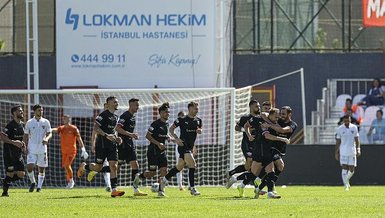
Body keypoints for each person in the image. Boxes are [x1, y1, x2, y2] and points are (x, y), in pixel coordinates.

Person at [77, 96, 125, 197]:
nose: (116, 103)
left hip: (112, 145)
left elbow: (112, 131)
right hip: (102, 145)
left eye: (117, 102)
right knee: (98, 167)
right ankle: (84, 167)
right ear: (108, 104)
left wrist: (117, 138)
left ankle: (114, 190)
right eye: (114, 102)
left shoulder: (116, 117)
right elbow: (96, 128)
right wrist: (105, 136)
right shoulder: (103, 115)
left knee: (114, 166)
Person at [237, 108, 289, 199]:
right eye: (276, 117)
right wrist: (249, 135)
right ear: (270, 115)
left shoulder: (272, 122)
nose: (277, 119)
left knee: (271, 171)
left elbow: (281, 129)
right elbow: (248, 126)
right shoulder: (261, 121)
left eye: (278, 117)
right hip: (259, 150)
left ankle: (269, 192)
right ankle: (235, 179)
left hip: (267, 150)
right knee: (254, 174)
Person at [161, 102, 203, 196]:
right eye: (195, 108)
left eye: (197, 108)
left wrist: (200, 131)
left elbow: (200, 129)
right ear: (190, 109)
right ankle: (192, 188)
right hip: (183, 146)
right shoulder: (182, 119)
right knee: (192, 164)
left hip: (190, 147)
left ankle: (163, 180)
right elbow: (171, 129)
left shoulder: (198, 120)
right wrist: (176, 138)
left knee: (179, 167)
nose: (197, 110)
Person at [256, 106, 297, 195]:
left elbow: (282, 130)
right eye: (280, 113)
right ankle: (267, 187)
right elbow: (263, 114)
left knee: (276, 169)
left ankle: (259, 188)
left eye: (283, 114)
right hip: (272, 147)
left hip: (281, 150)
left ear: (289, 114)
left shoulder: (292, 124)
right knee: (280, 165)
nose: (281, 116)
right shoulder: (276, 119)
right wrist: (268, 121)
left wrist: (269, 125)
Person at [134, 102, 170, 197]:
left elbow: (163, 135)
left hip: (162, 152)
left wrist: (168, 137)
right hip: (153, 151)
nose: (168, 114)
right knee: (151, 173)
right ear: (161, 113)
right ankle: (139, 177)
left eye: (168, 112)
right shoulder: (155, 124)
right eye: (166, 112)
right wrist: (158, 144)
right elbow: (148, 136)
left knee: (164, 170)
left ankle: (161, 190)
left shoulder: (166, 124)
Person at [115, 98, 147, 196]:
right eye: (136, 105)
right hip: (122, 145)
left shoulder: (133, 117)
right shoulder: (125, 116)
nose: (138, 107)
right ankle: (97, 170)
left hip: (129, 144)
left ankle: (136, 190)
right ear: (131, 105)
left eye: (138, 105)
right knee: (116, 167)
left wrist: (132, 135)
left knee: (135, 165)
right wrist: (130, 134)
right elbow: (117, 128)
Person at [226, 100, 260, 188]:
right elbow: (236, 127)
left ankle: (231, 173)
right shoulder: (245, 118)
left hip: (257, 145)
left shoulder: (260, 118)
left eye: (259, 106)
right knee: (250, 162)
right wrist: (245, 130)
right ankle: (256, 187)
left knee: (249, 166)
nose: (258, 108)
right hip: (247, 144)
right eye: (256, 106)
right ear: (251, 107)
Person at [78, 102, 111, 192]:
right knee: (106, 164)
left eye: (109, 106)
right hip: (101, 145)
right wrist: (93, 144)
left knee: (110, 165)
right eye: (106, 107)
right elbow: (94, 132)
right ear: (104, 108)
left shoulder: (114, 117)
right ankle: (109, 185)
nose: (107, 108)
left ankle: (89, 169)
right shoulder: (100, 118)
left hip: (112, 145)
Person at [52, 114, 88, 189]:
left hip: (72, 151)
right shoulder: (62, 128)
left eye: (68, 119)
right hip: (64, 151)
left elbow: (79, 138)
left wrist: (83, 149)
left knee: (67, 165)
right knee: (66, 167)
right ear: (63, 120)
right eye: (65, 119)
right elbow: (55, 130)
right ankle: (69, 181)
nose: (66, 120)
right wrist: (48, 129)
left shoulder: (74, 128)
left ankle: (71, 181)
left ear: (70, 120)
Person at [23, 104, 52, 192]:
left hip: (42, 149)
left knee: (41, 168)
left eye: (42, 110)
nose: (41, 112)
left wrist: (46, 139)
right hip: (31, 148)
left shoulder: (46, 122)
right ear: (34, 111)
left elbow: (50, 133)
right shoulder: (29, 122)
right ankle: (33, 182)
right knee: (29, 167)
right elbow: (25, 135)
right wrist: (24, 145)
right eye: (39, 110)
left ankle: (39, 187)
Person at [1, 105, 26, 197]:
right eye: (19, 111)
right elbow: (2, 136)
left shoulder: (23, 125)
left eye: (22, 110)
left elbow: (21, 139)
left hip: (18, 154)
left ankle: (5, 181)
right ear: (14, 113)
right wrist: (13, 142)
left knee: (21, 174)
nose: (22, 112)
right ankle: (5, 192)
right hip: (9, 153)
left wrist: (23, 144)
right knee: (10, 173)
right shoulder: (10, 125)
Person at [335, 115, 361, 191]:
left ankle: (346, 181)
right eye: (345, 121)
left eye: (348, 121)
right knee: (344, 167)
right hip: (343, 151)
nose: (347, 122)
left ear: (350, 120)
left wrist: (358, 149)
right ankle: (346, 185)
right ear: (343, 121)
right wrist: (336, 152)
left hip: (352, 151)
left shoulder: (354, 127)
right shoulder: (340, 129)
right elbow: (338, 141)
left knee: (352, 170)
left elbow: (357, 139)